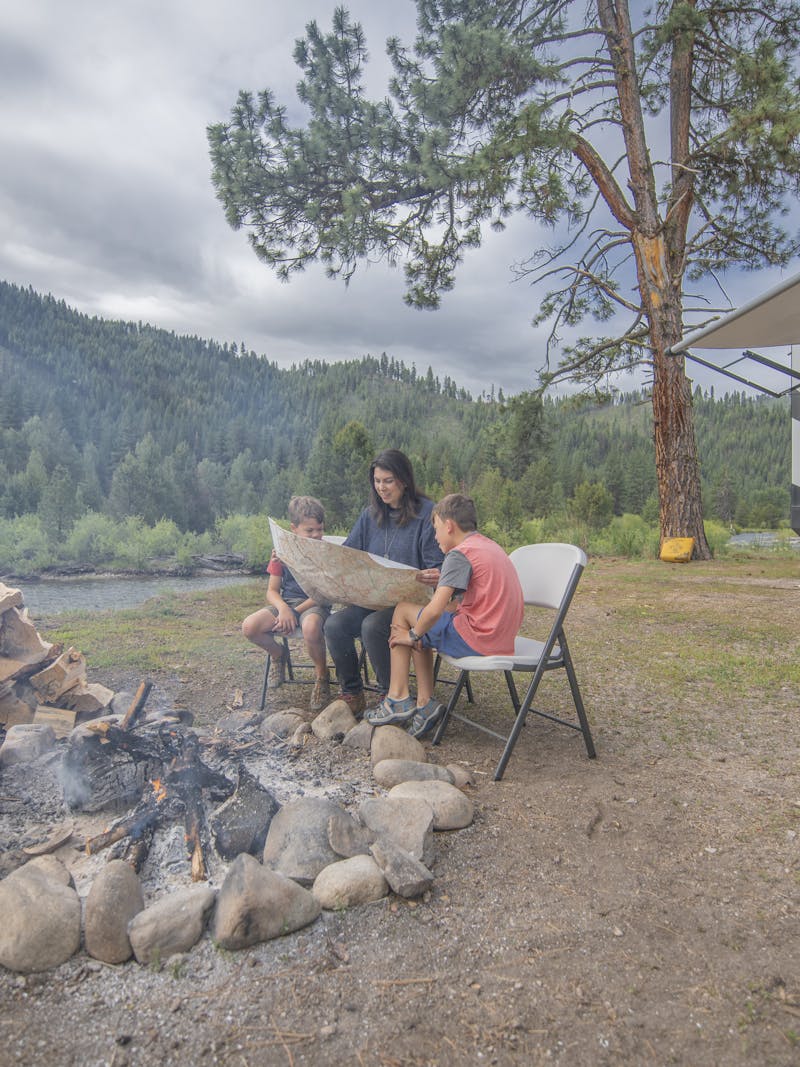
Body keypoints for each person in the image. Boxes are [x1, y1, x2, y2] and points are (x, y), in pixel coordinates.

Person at [366, 493, 524, 739]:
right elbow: (458, 605)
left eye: (436, 529)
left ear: (448, 525)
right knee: (423, 619)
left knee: (404, 611)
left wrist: (412, 635)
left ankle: (397, 697)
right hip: (500, 638)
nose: (435, 536)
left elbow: (436, 607)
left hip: (477, 639)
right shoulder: (488, 546)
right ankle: (424, 702)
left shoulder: (459, 554)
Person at [324, 449, 443, 716]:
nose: (381, 488)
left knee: (373, 626)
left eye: (387, 481)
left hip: (411, 603)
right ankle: (352, 693)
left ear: (403, 480)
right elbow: (348, 554)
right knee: (334, 624)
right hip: (375, 598)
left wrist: (434, 573)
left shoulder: (426, 514)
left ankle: (391, 695)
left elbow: (439, 563)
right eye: (377, 481)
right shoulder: (370, 515)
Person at [242, 495, 332, 712]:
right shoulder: (282, 554)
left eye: (319, 529)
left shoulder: (326, 553)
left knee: (310, 628)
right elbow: (272, 591)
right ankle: (278, 654)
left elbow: (324, 594)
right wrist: (283, 609)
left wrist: (292, 611)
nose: (316, 535)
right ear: (294, 529)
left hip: (315, 603)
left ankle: (322, 674)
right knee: (250, 627)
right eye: (309, 531)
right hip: (287, 602)